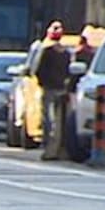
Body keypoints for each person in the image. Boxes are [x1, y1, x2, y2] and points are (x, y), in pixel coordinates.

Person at [33, 19, 72, 160]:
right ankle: (56, 147)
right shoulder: (66, 53)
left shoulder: (47, 51)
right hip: (60, 90)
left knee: (47, 119)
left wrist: (43, 82)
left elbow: (38, 70)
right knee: (58, 120)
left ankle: (49, 145)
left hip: (49, 89)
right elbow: (68, 72)